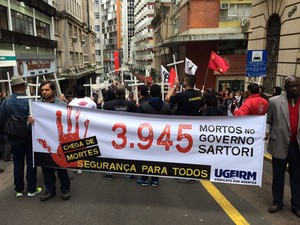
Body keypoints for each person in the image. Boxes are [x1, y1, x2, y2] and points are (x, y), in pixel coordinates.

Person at [0, 75, 41, 197]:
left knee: (18, 163)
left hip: (13, 137)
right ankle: (31, 189)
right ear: (23, 86)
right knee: (31, 162)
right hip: (29, 136)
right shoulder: (30, 100)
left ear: (12, 87)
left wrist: (7, 133)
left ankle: (19, 189)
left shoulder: (6, 102)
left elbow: (2, 119)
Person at [266, 75, 300, 218]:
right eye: (291, 86)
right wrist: (266, 133)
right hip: (279, 143)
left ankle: (297, 205)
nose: (294, 88)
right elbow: (268, 121)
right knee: (278, 175)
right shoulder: (274, 101)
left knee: (297, 177)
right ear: (285, 87)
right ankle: (277, 201)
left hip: (297, 147)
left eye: (296, 85)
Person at [33, 80, 71, 201]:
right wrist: (30, 122)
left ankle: (65, 189)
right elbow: (29, 126)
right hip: (44, 143)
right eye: (42, 90)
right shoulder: (36, 106)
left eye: (47, 90)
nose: (44, 92)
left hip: (59, 142)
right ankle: (50, 190)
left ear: (53, 91)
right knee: (46, 167)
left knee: (61, 166)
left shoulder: (62, 105)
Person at [136, 84, 170, 187]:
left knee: (145, 158)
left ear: (150, 93)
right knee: (158, 158)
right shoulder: (167, 106)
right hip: (161, 137)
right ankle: (155, 180)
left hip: (147, 137)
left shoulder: (144, 106)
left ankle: (144, 178)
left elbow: (137, 121)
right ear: (160, 93)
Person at [103, 84, 137, 180]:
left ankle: (110, 172)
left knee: (111, 151)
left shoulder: (108, 105)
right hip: (127, 133)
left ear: (115, 93)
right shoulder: (131, 105)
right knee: (128, 152)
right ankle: (129, 173)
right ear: (124, 93)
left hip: (112, 132)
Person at [68, 85, 97, 175]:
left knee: (77, 147)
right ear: (85, 92)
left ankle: (78, 168)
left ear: (76, 93)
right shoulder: (91, 102)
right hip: (88, 127)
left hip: (76, 127)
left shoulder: (72, 103)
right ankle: (91, 166)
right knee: (89, 145)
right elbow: (96, 112)